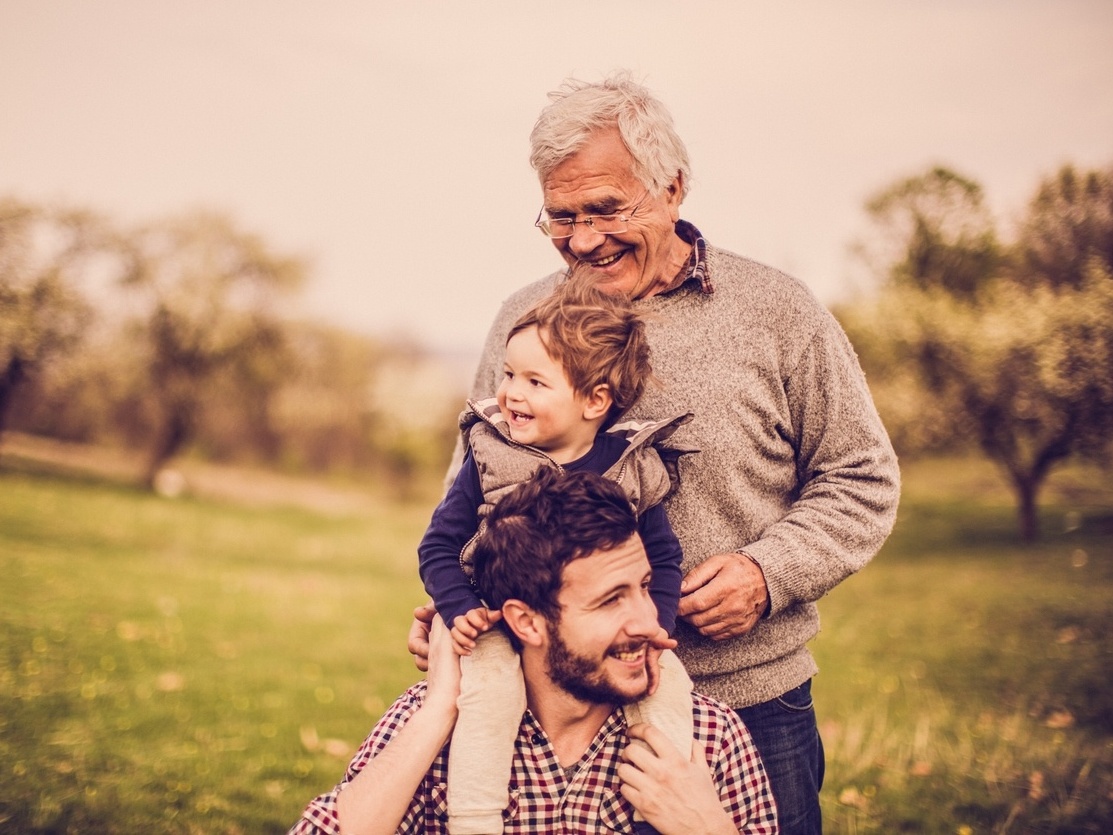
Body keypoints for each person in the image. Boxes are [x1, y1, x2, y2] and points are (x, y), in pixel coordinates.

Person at [410, 72, 901, 834]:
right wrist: (459, 601)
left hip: (744, 698)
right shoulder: (523, 319)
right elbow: (475, 492)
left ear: (672, 187)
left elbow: (861, 477)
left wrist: (766, 574)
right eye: (560, 216)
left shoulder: (776, 312)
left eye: (606, 208)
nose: (582, 239)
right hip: (549, 713)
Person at [290, 468, 779, 834]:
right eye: (611, 600)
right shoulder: (435, 725)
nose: (650, 623)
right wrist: (439, 709)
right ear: (526, 621)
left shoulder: (709, 738)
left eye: (645, 587)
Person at [417, 274, 696, 834]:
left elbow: (663, 559)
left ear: (596, 400)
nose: (510, 393)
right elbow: (438, 545)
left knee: (670, 692)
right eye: (508, 374)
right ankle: (474, 820)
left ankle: (664, 809)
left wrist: (656, 627)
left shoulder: (630, 465)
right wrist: (457, 607)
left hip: (599, 636)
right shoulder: (490, 456)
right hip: (497, 622)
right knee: (490, 698)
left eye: (535, 382)